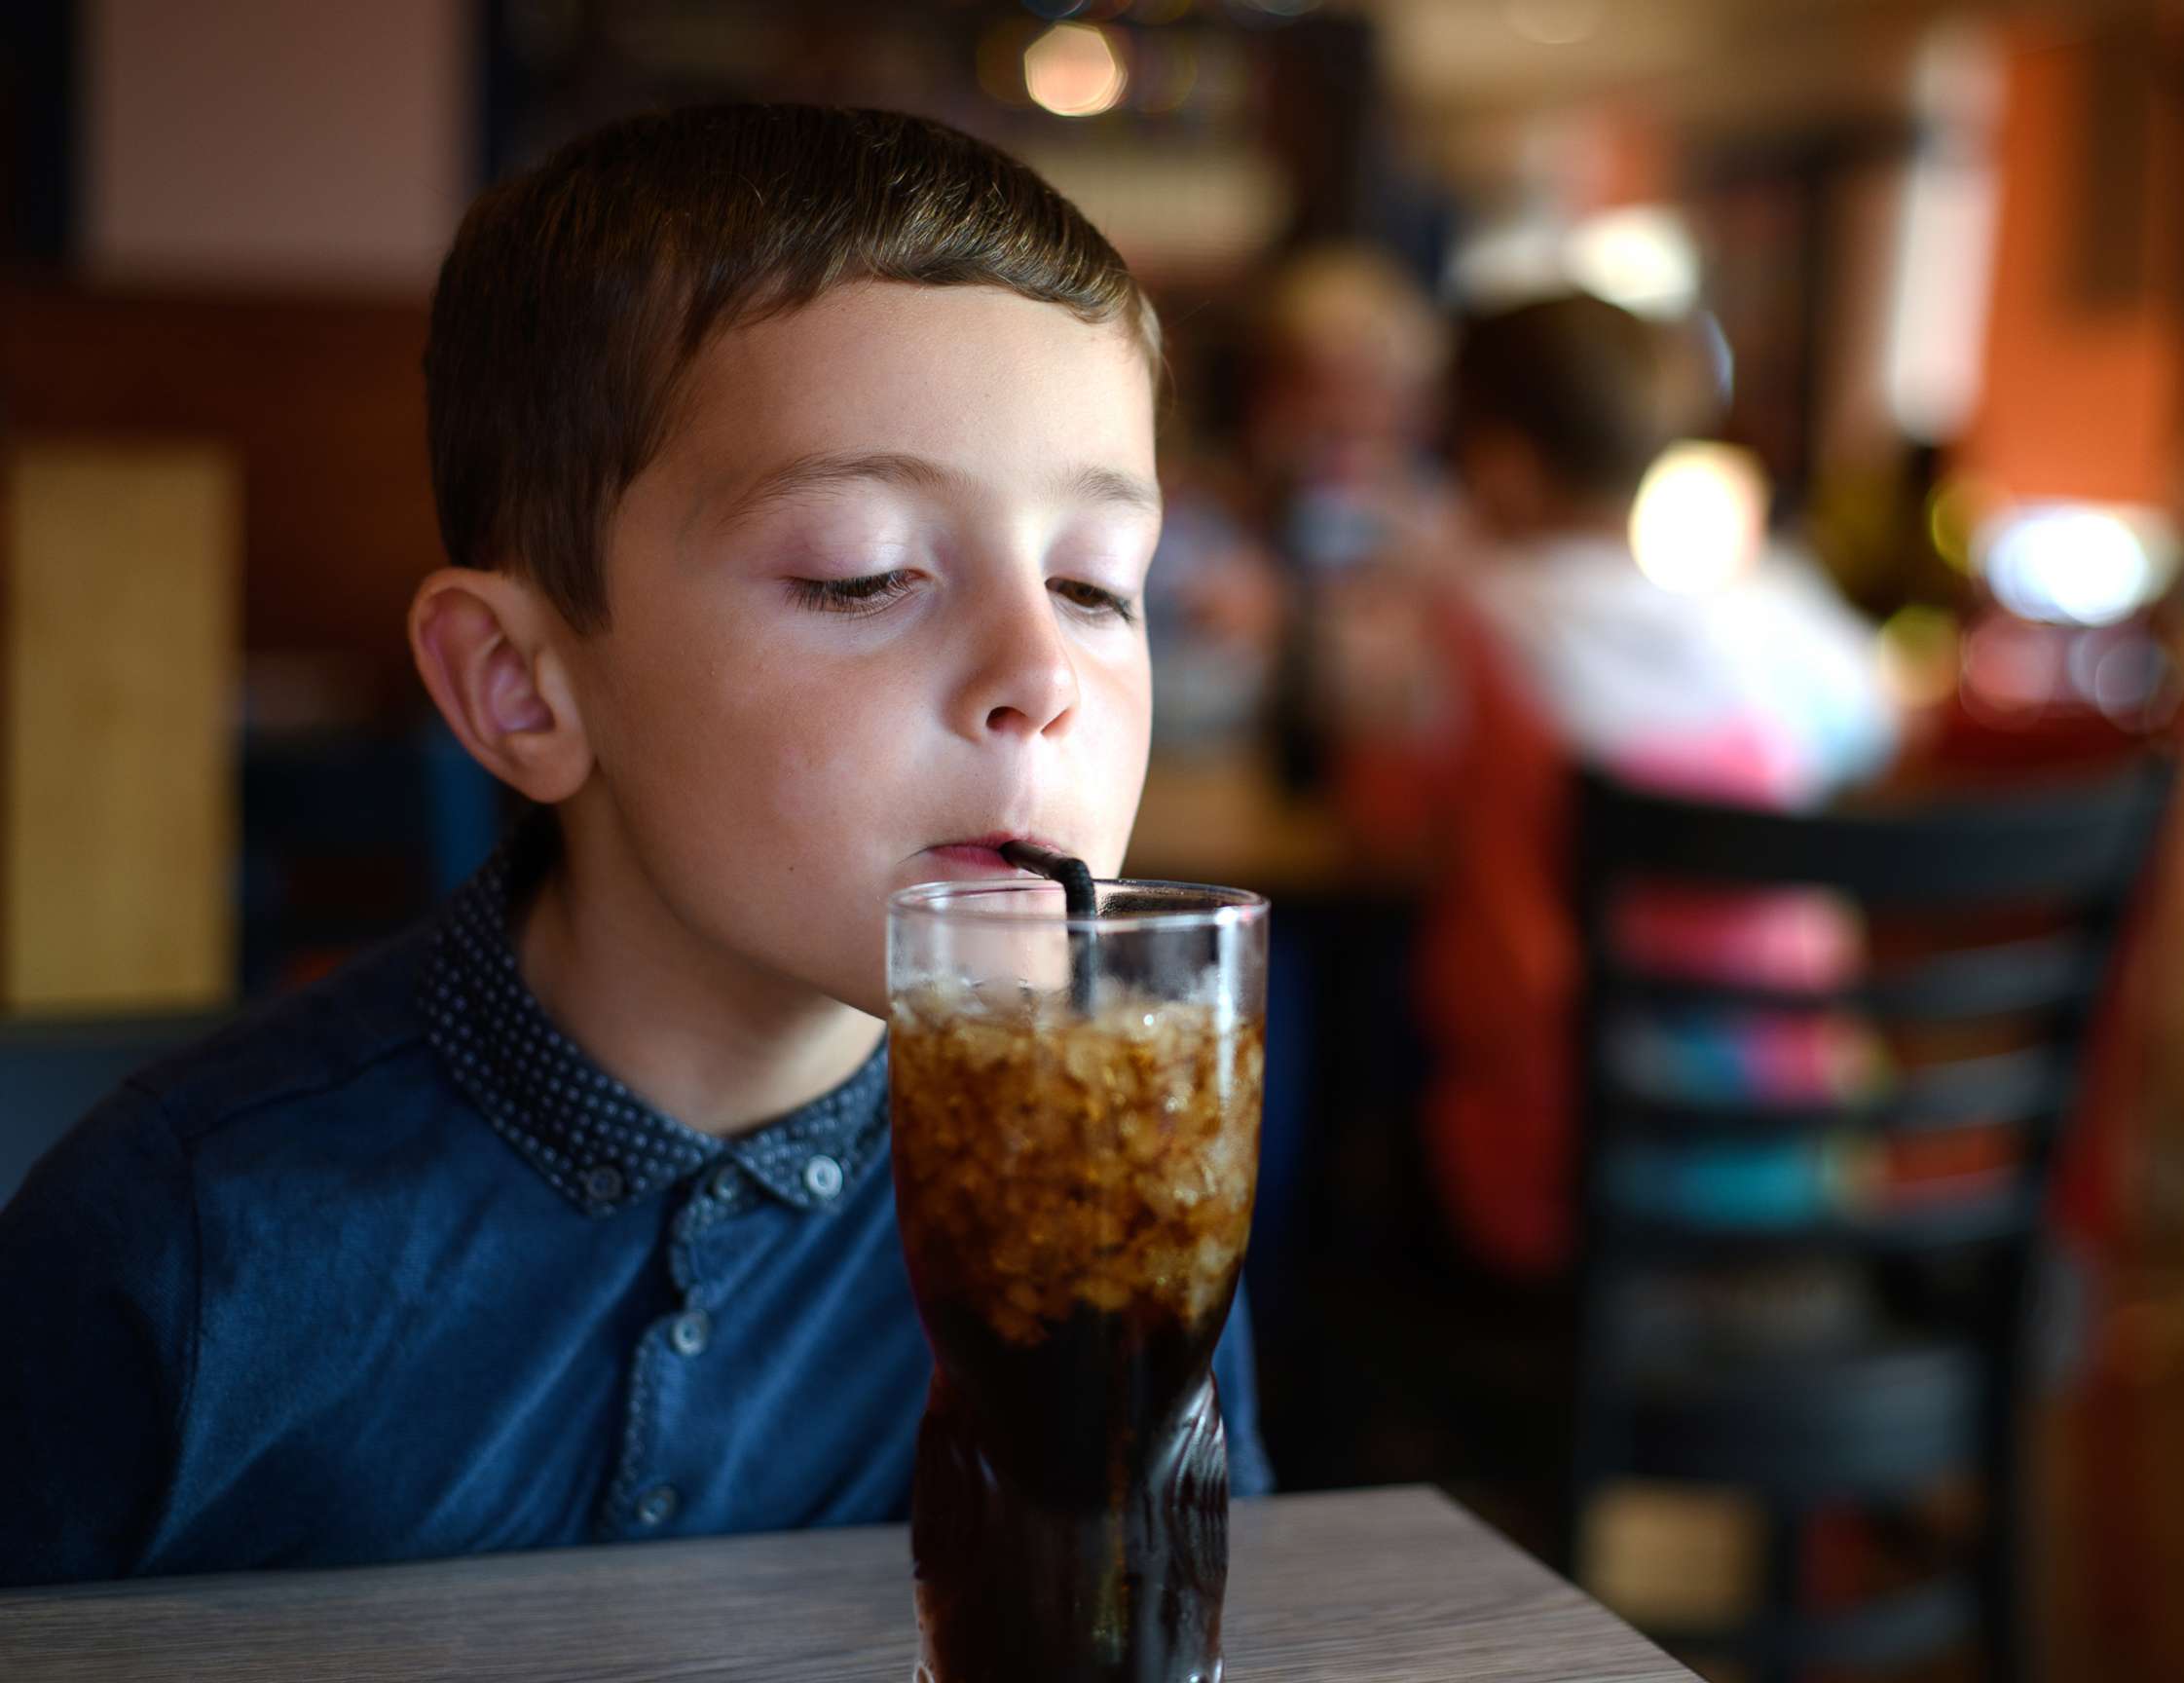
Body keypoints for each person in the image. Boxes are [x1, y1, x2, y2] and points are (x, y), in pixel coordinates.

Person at [0, 104, 1269, 1587]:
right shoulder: (185, 1243)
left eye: (1097, 584)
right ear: (520, 686)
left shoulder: (1105, 1186)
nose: (1041, 677)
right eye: (863, 573)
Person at [1352, 293, 1897, 1284]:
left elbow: (1385, 829)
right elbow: (1877, 721)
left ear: (1501, 461)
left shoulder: (1467, 628)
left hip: (1555, 1180)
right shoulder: (1772, 624)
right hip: (1796, 1156)